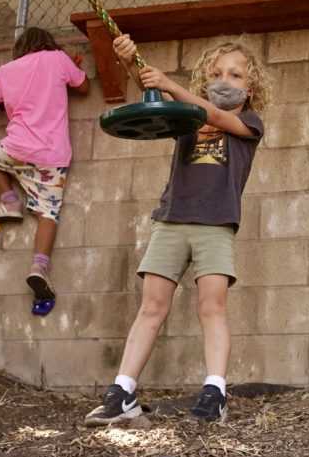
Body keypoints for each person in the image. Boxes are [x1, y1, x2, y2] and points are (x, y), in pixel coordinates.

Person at [84, 38, 269, 425]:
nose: (225, 80)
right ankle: (123, 392)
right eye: (216, 74)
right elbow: (157, 98)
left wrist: (172, 84)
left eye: (235, 75)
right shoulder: (186, 118)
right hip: (171, 219)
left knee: (211, 306)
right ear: (204, 81)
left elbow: (217, 117)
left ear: (249, 88)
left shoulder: (250, 124)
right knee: (151, 306)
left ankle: (215, 391)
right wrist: (131, 62)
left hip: (215, 224)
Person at [0, 27, 89, 311]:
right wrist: (73, 68)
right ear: (48, 44)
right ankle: (39, 267)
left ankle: (10, 202)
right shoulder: (58, 59)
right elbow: (84, 88)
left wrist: (4, 98)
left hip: (17, 148)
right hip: (52, 155)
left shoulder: (7, 69)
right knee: (48, 213)